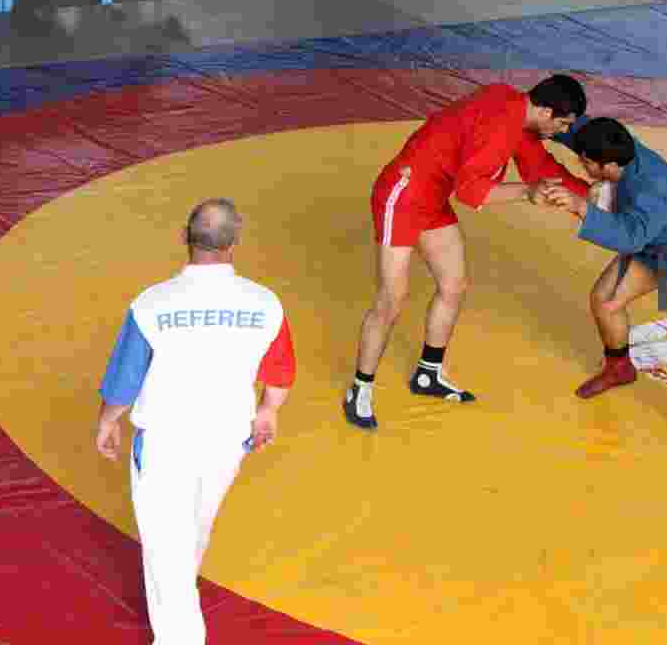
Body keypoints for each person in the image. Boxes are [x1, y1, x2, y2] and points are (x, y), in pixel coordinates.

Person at [95, 198, 296, 644]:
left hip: (167, 440)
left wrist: (108, 422)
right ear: (235, 244)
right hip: (228, 438)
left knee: (167, 545)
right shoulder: (265, 304)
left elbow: (125, 381)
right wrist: (268, 411)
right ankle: (180, 607)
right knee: (196, 526)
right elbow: (280, 374)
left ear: (183, 237)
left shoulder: (152, 304)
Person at [344, 74, 592, 430]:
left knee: (454, 285)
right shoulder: (500, 127)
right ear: (546, 111)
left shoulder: (514, 105)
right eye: (562, 124)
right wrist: (527, 192)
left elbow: (541, 168)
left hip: (431, 199)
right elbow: (472, 192)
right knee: (392, 299)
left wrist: (590, 196)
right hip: (401, 196)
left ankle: (428, 374)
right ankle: (360, 387)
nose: (562, 132)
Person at [541, 118, 667, 476]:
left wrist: (582, 206)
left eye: (587, 164)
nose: (583, 169)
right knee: (605, 301)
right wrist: (545, 121)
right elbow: (580, 130)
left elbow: (629, 237)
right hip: (653, 242)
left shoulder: (653, 189)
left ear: (606, 165)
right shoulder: (619, 147)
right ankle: (619, 367)